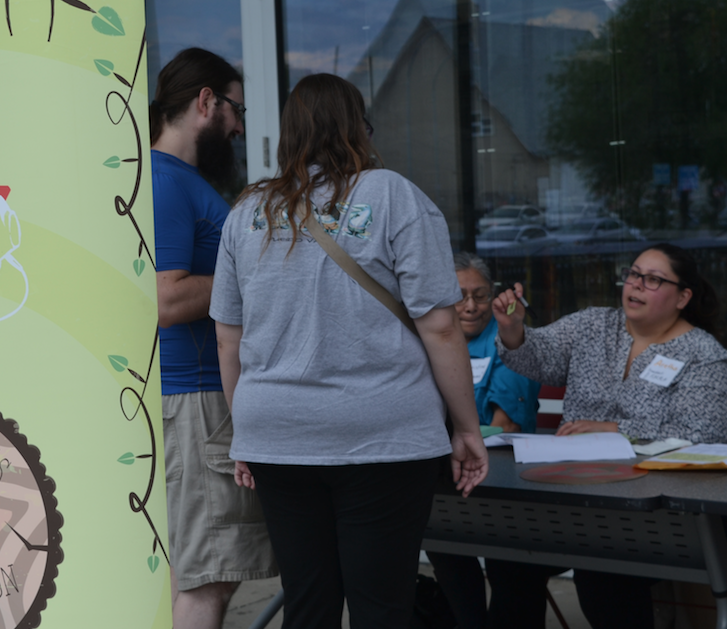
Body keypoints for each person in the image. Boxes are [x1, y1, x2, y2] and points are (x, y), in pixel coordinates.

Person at [209, 73, 488, 629]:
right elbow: (439, 327)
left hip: (277, 433)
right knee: (381, 604)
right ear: (358, 127)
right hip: (381, 430)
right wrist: (466, 428)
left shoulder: (247, 212)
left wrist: (246, 429)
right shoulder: (393, 195)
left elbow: (228, 337)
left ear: (290, 134)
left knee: (307, 600)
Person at [492, 242, 727, 629]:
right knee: (510, 559)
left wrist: (616, 430)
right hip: (576, 496)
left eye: (653, 280)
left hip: (657, 514)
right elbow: (539, 357)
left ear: (683, 296)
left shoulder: (703, 354)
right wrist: (513, 328)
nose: (635, 285)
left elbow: (701, 433)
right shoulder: (593, 325)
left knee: (604, 572)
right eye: (633, 274)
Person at [149, 47, 277, 629]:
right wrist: (248, 270)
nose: (240, 126)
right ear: (206, 102)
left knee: (190, 575)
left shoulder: (175, 180)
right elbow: (167, 300)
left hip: (191, 400)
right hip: (196, 402)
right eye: (235, 110)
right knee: (209, 580)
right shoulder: (168, 183)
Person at [426, 252, 554, 629]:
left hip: (506, 484)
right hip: (448, 479)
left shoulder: (509, 339)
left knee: (513, 573)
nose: (470, 306)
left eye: (480, 295)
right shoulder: (427, 340)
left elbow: (505, 425)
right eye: (459, 295)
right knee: (446, 554)